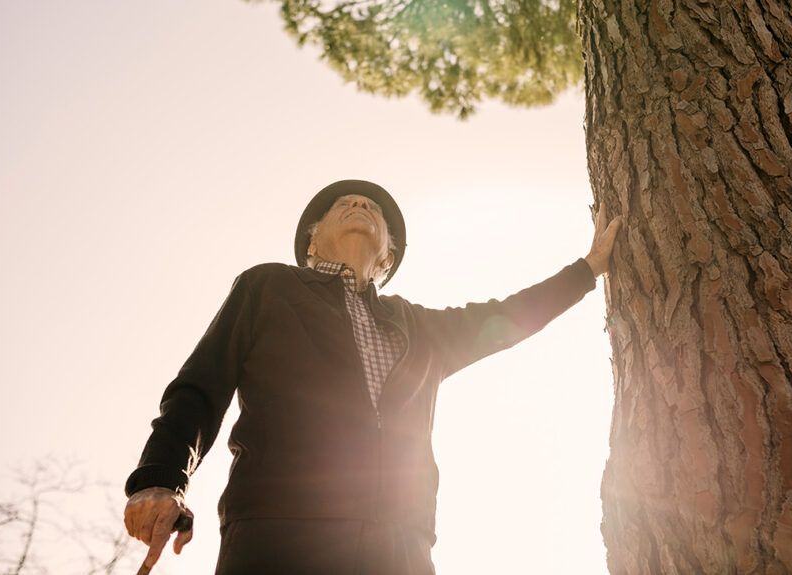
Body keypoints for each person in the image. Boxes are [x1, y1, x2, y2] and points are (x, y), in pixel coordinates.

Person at [123, 179, 622, 574]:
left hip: (400, 549)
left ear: (388, 255)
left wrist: (588, 269)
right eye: (342, 203)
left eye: (373, 209)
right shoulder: (267, 286)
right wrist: (162, 480)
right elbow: (199, 388)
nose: (359, 202)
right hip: (279, 534)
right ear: (311, 238)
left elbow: (508, 317)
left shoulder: (419, 326)